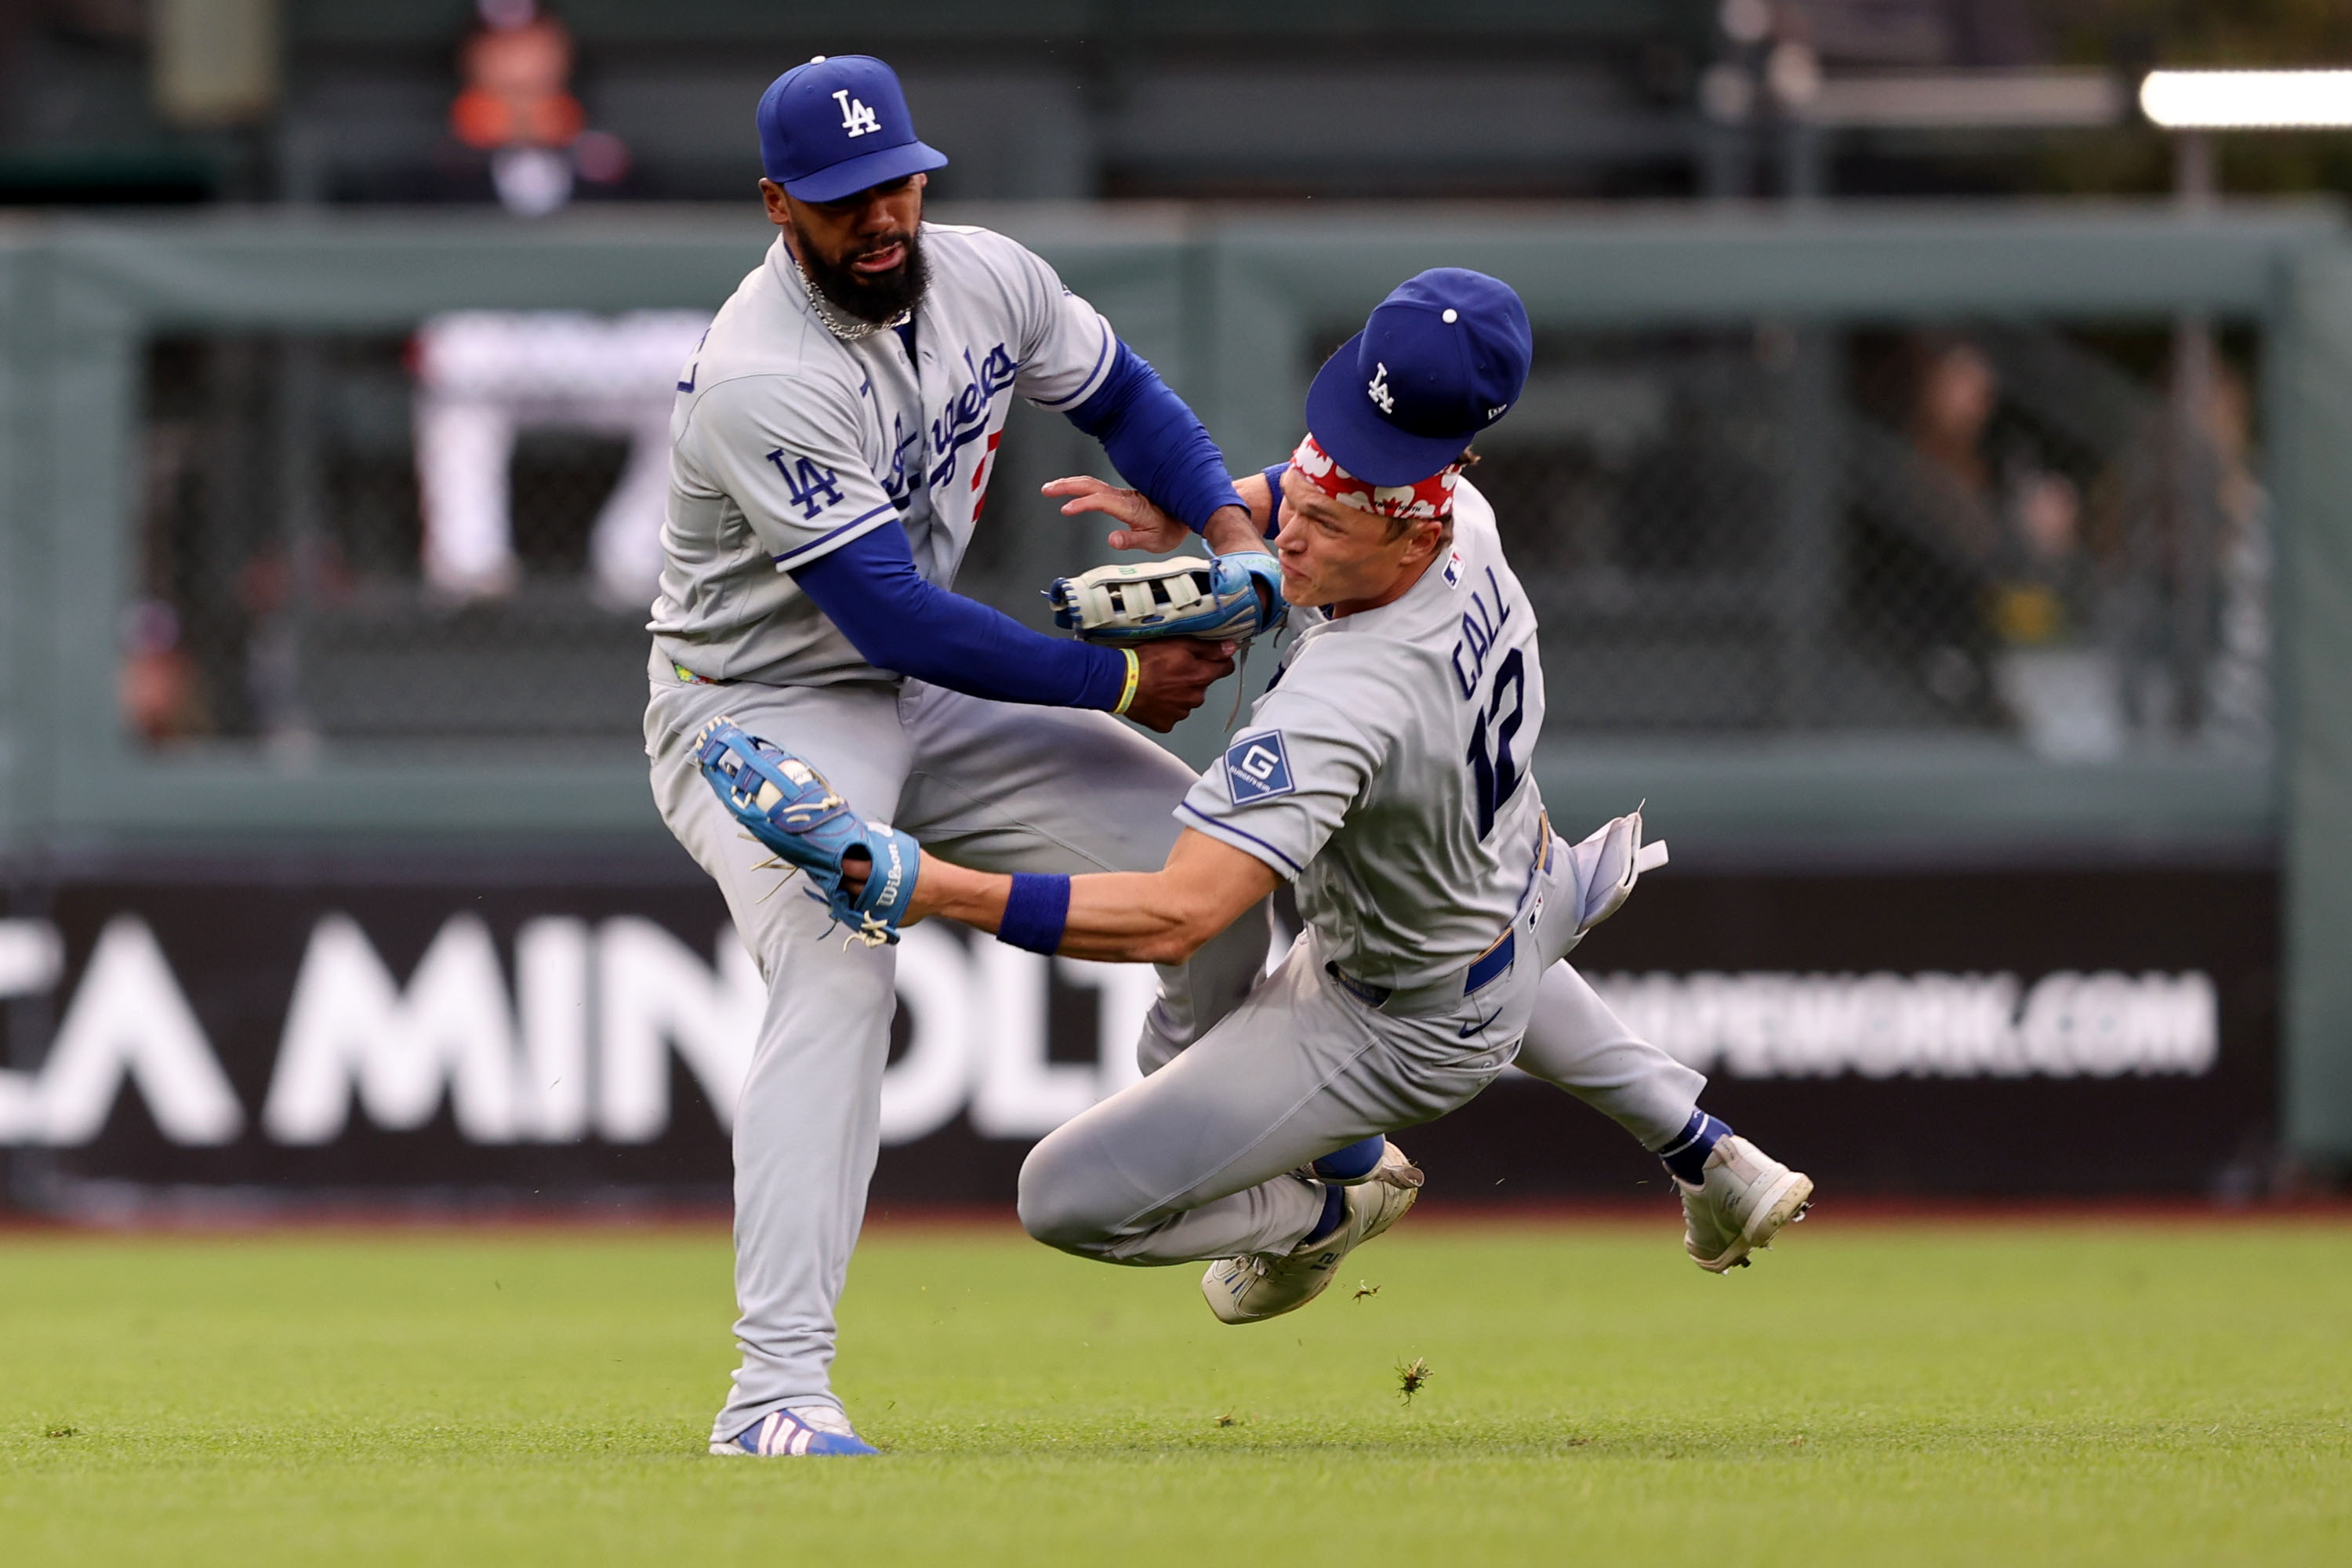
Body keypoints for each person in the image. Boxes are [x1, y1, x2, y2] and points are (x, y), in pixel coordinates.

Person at [728, 270, 1812, 1354]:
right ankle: (1711, 1152)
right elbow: (1324, 481)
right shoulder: (1463, 513)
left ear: (1407, 534)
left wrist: (923, 884)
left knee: (1063, 1193)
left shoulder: (1347, 700)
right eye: (1294, 507)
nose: (1283, 539)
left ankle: (1331, 1204)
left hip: (1393, 1016)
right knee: (1492, 948)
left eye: (1322, 524)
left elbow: (1178, 916)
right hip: (1520, 885)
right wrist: (1222, 513)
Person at [646, 53, 1280, 1460]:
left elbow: (1128, 402)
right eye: (841, 201)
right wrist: (1115, 677)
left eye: (897, 186)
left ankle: (1277, 1183)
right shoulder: (764, 372)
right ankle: (775, 1397)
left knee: (1226, 859)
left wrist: (1231, 536)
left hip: (919, 701)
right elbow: (891, 614)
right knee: (840, 968)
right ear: (777, 206)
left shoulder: (985, 273)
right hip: (758, 708)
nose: (879, 219)